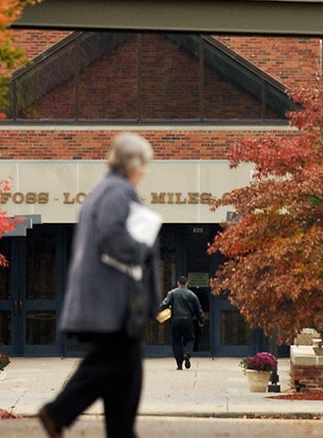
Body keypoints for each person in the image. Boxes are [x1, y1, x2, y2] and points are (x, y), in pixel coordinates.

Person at [38, 133, 161, 438]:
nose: (145, 172)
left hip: (106, 302)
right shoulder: (118, 193)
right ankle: (57, 413)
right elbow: (112, 237)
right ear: (134, 165)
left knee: (126, 372)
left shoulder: (105, 190)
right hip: (111, 304)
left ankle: (121, 432)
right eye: (144, 165)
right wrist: (142, 249)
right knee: (107, 363)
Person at [158, 275, 204, 369]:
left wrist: (157, 311)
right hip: (188, 320)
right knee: (190, 338)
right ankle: (187, 354)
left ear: (178, 283)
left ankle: (179, 364)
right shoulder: (192, 295)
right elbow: (198, 309)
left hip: (175, 320)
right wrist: (201, 320)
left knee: (176, 341)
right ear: (187, 283)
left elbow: (164, 304)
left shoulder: (172, 293)